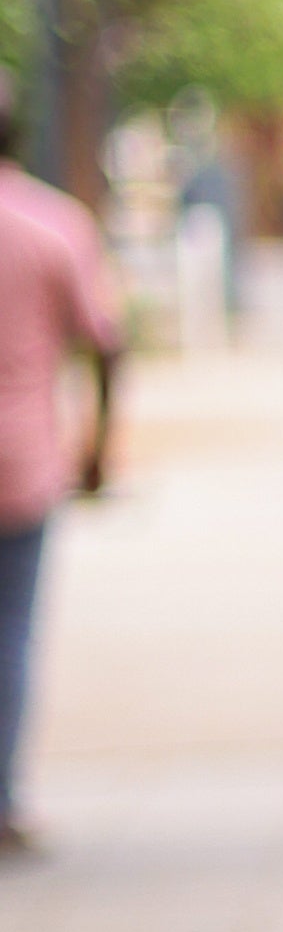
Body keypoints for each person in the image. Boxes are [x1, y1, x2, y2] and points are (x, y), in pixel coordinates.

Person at [0, 93, 126, 859]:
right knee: (11, 630)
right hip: (22, 461)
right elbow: (106, 340)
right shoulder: (52, 224)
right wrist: (101, 443)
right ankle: (3, 797)